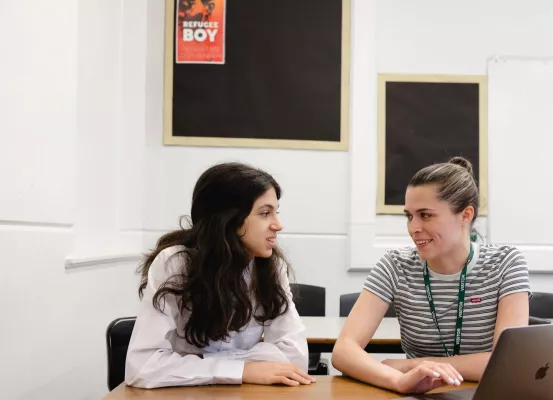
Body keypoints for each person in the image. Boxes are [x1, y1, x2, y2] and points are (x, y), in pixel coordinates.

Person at [331, 157, 530, 395]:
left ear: (465, 215)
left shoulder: (505, 263)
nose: (413, 227)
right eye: (409, 216)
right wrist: (398, 380)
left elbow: (508, 364)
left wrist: (412, 365)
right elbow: (344, 351)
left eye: (425, 215)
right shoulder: (395, 265)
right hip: (421, 394)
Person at [124, 162, 314, 389]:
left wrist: (198, 365)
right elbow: (142, 367)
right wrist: (246, 367)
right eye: (265, 213)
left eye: (276, 212)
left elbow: (295, 358)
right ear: (229, 220)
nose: (278, 225)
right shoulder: (175, 263)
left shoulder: (271, 267)